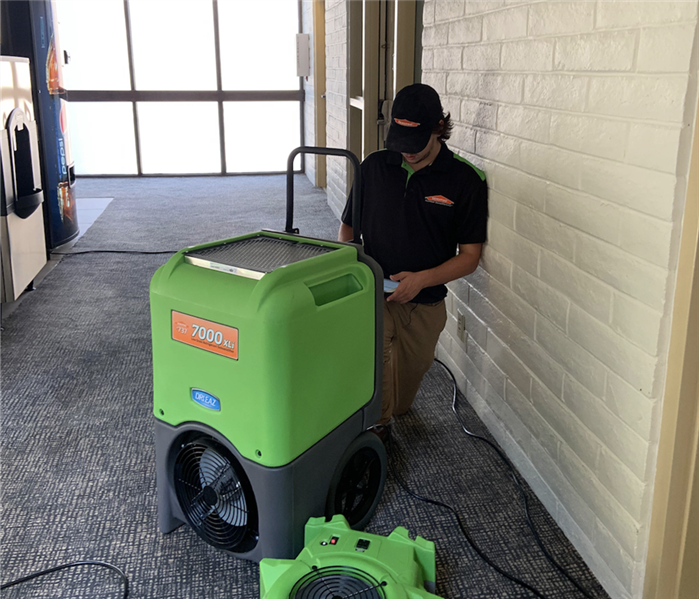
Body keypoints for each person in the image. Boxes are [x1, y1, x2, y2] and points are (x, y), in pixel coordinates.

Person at [338, 83, 488, 433]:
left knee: (401, 402)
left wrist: (421, 279)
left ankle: (387, 416)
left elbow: (469, 257)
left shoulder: (466, 181)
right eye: (400, 142)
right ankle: (375, 436)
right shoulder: (373, 167)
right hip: (375, 294)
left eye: (415, 144)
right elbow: (347, 229)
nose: (407, 153)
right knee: (378, 394)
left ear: (438, 128)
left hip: (425, 304)